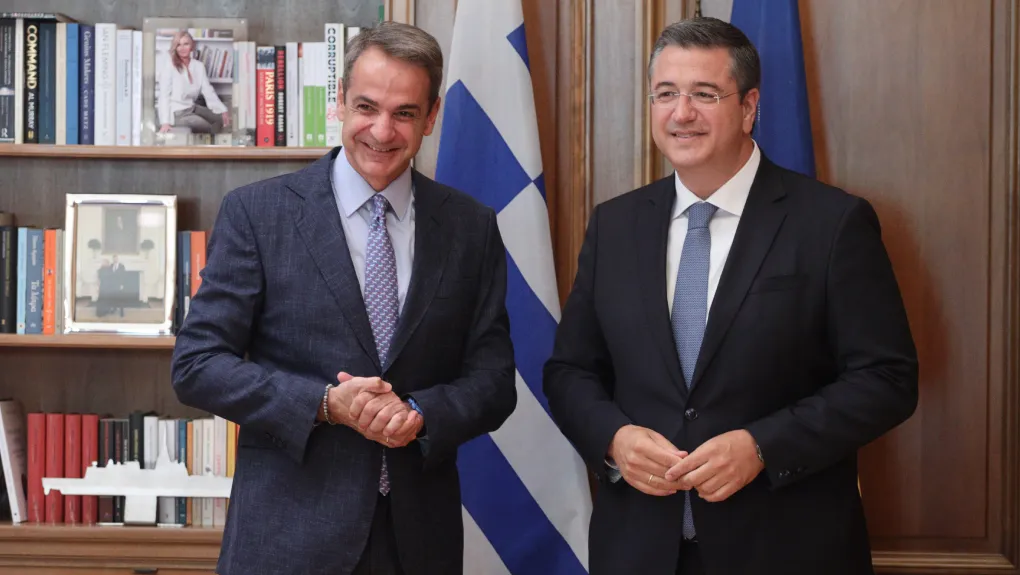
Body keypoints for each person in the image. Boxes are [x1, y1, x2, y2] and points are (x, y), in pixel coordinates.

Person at [543, 17, 918, 575]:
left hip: (786, 549)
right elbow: (570, 370)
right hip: (639, 549)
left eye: (704, 94)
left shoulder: (832, 223)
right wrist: (614, 439)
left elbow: (887, 378)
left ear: (748, 108)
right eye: (665, 93)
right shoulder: (615, 225)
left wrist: (764, 446)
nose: (681, 113)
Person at [171, 21, 516, 575]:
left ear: (431, 117)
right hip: (287, 539)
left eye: (405, 113)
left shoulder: (470, 228)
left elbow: (494, 382)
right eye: (366, 107)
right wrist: (324, 404)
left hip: (417, 543)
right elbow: (197, 365)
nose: (382, 130)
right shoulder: (258, 214)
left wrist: (420, 414)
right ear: (340, 102)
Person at [157, 29, 231, 134]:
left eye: (186, 44)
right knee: (206, 127)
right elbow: (164, 96)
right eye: (178, 45)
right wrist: (165, 122)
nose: (182, 48)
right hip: (177, 113)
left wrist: (223, 110)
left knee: (221, 119)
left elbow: (208, 91)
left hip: (192, 108)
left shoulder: (199, 66)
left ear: (192, 45)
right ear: (175, 47)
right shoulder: (169, 66)